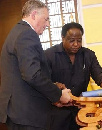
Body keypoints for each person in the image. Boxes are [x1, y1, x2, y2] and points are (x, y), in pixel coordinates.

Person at [0, 0, 72, 130]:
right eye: (46, 19)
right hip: (26, 114)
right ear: (33, 15)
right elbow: (32, 75)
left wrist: (53, 95)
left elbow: (24, 74)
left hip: (21, 112)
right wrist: (59, 95)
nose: (48, 24)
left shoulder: (18, 32)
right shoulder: (27, 34)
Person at [44, 22, 102, 130]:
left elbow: (100, 76)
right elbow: (42, 81)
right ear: (63, 38)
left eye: (79, 40)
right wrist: (54, 86)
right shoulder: (49, 55)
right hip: (57, 113)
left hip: (82, 111)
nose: (76, 44)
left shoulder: (88, 55)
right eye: (72, 41)